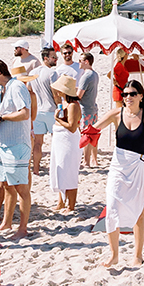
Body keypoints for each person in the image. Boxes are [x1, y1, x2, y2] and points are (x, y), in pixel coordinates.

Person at [91, 79, 144, 267]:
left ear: (140, 96)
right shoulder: (116, 113)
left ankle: (137, 255)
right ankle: (114, 254)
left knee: (138, 211)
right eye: (125, 94)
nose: (127, 97)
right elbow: (93, 129)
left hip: (138, 167)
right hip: (118, 167)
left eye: (131, 94)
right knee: (112, 207)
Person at [0, 61, 33, 237]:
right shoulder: (2, 90)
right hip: (5, 143)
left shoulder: (17, 87)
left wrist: (3, 117)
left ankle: (23, 228)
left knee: (21, 187)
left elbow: (25, 113)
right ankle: (7, 222)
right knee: (6, 184)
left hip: (17, 143)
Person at [49, 73, 84, 212]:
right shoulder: (66, 103)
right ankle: (61, 202)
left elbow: (72, 127)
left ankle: (71, 205)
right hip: (61, 141)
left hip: (68, 141)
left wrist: (57, 119)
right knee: (60, 169)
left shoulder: (73, 106)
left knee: (69, 171)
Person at [30, 46, 61, 179]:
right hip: (50, 110)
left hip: (37, 110)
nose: (56, 59)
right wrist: (60, 106)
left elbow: (30, 91)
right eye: (53, 57)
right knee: (57, 141)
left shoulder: (33, 72)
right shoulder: (51, 73)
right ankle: (55, 167)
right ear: (46, 58)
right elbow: (55, 93)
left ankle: (36, 168)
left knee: (38, 142)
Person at [77, 53, 102, 169]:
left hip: (85, 109)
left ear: (86, 61)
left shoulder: (86, 76)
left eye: (80, 60)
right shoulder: (95, 74)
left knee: (86, 135)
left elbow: (79, 95)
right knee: (93, 134)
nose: (79, 62)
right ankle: (94, 160)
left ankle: (86, 161)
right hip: (92, 107)